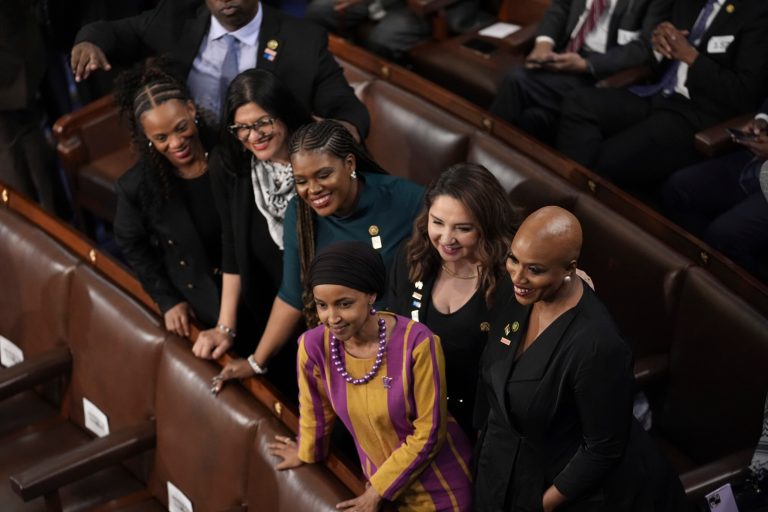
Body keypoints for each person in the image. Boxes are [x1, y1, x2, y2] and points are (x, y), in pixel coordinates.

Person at [473, 206, 686, 511]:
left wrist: (542, 505)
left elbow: (602, 449)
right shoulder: (517, 289)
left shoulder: (598, 345)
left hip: (563, 488)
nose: (518, 276)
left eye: (535, 269)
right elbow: (491, 368)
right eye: (514, 260)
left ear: (569, 268)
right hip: (500, 462)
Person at [207, 120, 424, 393]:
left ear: (349, 164)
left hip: (404, 349)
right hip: (343, 355)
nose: (313, 189)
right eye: (301, 181)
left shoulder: (404, 199)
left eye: (323, 175)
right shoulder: (298, 213)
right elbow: (291, 294)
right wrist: (256, 361)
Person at [259, 241, 473, 511]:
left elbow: (429, 432)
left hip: (441, 492)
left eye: (344, 304)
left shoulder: (418, 343)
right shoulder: (313, 347)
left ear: (371, 295)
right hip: (377, 488)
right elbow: (316, 409)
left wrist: (379, 491)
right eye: (322, 305)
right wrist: (307, 452)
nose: (332, 317)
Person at [69, 0, 369, 137]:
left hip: (261, 158)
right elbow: (118, 31)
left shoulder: (302, 38)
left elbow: (345, 107)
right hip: (191, 148)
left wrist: (343, 131)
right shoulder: (176, 17)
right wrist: (89, 42)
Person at [555, 0, 768, 193]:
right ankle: (573, 192)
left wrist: (692, 58)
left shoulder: (758, 12)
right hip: (657, 93)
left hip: (696, 116)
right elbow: (664, 43)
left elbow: (744, 95)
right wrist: (660, 40)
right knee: (578, 103)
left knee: (606, 159)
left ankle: (572, 200)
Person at [387, 163, 517, 437]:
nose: (446, 239)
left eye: (463, 228)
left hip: (474, 422)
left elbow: (506, 372)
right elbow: (393, 331)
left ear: (487, 226)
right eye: (437, 223)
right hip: (410, 406)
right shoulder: (412, 258)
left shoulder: (510, 283)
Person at [194, 68, 312, 357]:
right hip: (265, 309)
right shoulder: (229, 163)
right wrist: (225, 326)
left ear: (283, 113)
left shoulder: (319, 155)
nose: (254, 135)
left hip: (326, 308)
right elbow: (231, 243)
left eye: (263, 122)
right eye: (242, 128)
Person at [114, 62, 221, 336]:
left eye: (180, 128)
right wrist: (168, 299)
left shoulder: (227, 154)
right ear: (146, 137)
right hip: (204, 300)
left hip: (257, 282)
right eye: (161, 137)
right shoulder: (136, 186)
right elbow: (132, 245)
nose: (175, 143)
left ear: (191, 110)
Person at [490, 0, 671, 142]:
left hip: (602, 71)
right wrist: (544, 45)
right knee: (534, 117)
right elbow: (561, 7)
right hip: (565, 54)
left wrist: (586, 64)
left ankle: (483, 158)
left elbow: (647, 48)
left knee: (517, 81)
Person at [662, 98, 768, 275]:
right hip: (757, 163)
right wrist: (763, 120)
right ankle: (698, 273)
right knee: (678, 190)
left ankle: (744, 296)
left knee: (723, 236)